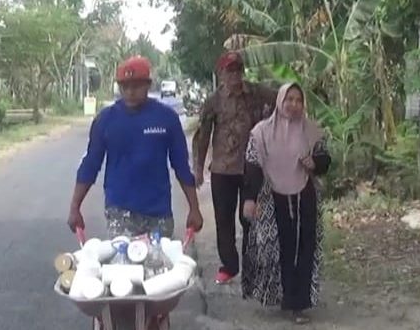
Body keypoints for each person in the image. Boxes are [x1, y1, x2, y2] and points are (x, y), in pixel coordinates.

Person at [69, 55, 204, 239]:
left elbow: (181, 166)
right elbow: (90, 165)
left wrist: (194, 208)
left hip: (159, 214)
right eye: (125, 86)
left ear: (148, 85)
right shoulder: (105, 120)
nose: (130, 92)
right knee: (123, 257)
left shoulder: (166, 118)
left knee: (158, 258)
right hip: (120, 212)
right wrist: (75, 207)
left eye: (136, 86)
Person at [241, 83, 331, 324]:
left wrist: (315, 162)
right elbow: (252, 166)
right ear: (280, 101)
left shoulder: (311, 130)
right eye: (289, 99)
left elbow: (324, 160)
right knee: (279, 249)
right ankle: (282, 296)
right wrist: (250, 198)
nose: (293, 104)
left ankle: (298, 303)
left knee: (304, 247)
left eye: (298, 100)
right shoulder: (261, 132)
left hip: (305, 195)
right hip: (272, 197)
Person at [192, 51, 276, 285]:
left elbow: (283, 100)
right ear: (221, 73)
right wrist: (198, 168)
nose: (235, 75)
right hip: (223, 168)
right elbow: (203, 135)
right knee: (224, 219)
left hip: (252, 166)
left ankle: (252, 267)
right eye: (230, 71)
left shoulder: (257, 93)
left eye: (238, 70)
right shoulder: (214, 101)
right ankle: (229, 265)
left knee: (249, 218)